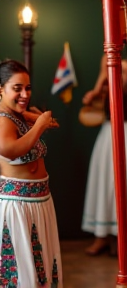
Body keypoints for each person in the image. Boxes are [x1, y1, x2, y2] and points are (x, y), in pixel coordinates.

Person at [0, 59, 62, 287]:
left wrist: (36, 118)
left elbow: (52, 123)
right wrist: (39, 125)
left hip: (39, 202)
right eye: (17, 88)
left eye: (28, 88)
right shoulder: (3, 120)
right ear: (1, 90)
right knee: (23, 273)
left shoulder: (17, 115)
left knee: (41, 269)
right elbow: (9, 149)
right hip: (18, 206)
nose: (25, 94)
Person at [81, 54, 127, 256]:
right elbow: (102, 80)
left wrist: (120, 70)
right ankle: (101, 236)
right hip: (109, 133)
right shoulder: (104, 81)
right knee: (105, 182)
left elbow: (125, 74)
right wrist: (96, 89)